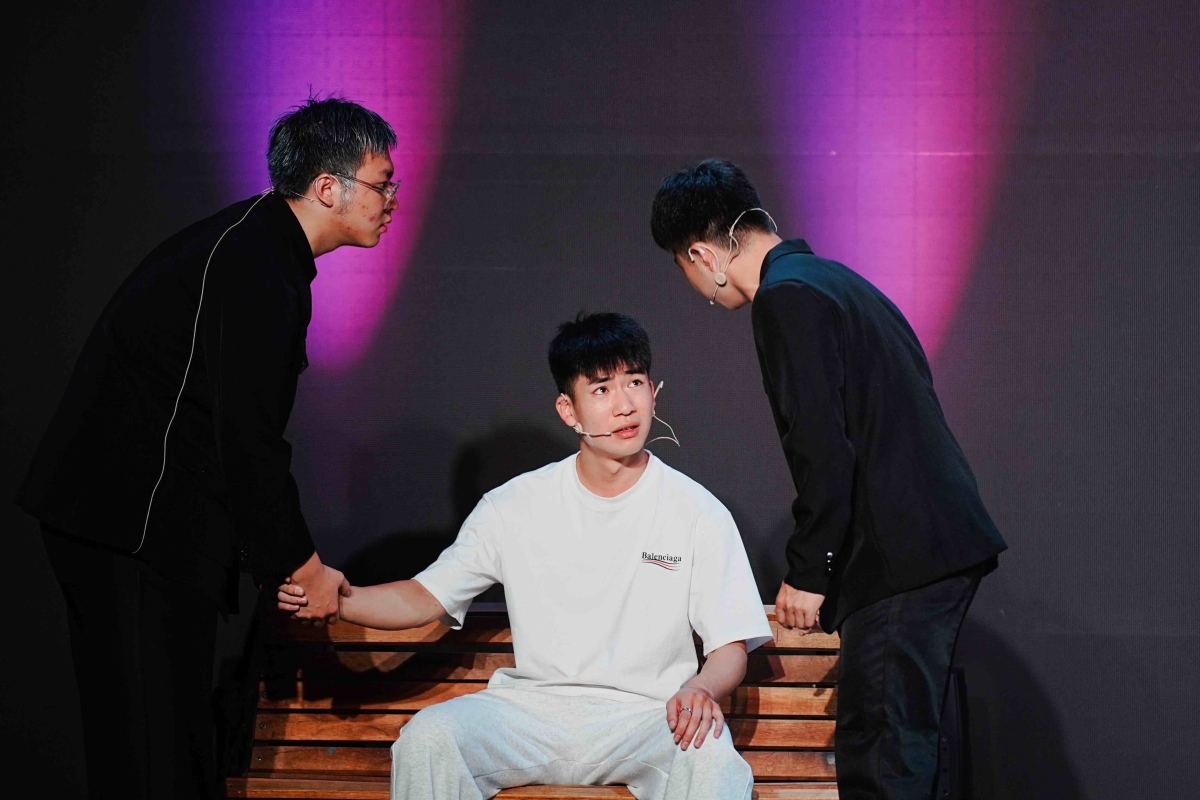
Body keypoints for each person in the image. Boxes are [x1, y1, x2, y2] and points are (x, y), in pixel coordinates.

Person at [16, 97, 400, 799]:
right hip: (129, 527)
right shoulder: (257, 265)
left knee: (161, 747)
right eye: (382, 183)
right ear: (328, 187)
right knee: (152, 757)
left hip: (131, 526)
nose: (392, 200)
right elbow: (245, 439)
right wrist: (301, 566)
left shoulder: (259, 246)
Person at [279, 313, 773, 800]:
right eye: (601, 389)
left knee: (710, 755)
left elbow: (729, 644)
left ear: (653, 393)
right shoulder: (513, 504)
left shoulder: (697, 510)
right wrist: (338, 599)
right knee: (429, 737)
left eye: (635, 382)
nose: (625, 405)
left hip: (647, 715)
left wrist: (701, 689)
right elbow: (424, 597)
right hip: (530, 712)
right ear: (568, 410)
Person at [649, 159, 1008, 800]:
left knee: (883, 757)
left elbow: (823, 448)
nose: (697, 287)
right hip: (928, 546)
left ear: (702, 255)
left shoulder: (785, 298)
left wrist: (811, 572)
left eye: (684, 269)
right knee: (899, 749)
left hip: (901, 556)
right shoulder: (834, 281)